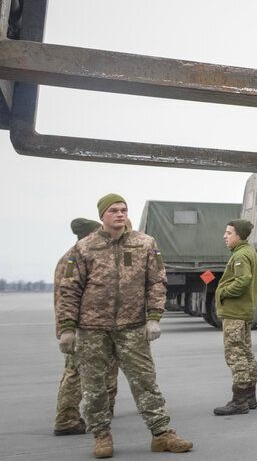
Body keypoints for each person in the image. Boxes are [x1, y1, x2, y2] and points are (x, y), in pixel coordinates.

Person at [57, 194, 193, 458]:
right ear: (102, 216)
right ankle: (101, 436)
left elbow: (156, 282)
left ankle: (162, 434)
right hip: (93, 328)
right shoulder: (84, 248)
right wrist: (67, 328)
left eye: (123, 209)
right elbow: (69, 289)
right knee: (94, 386)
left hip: (132, 327)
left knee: (145, 381)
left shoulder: (145, 244)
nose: (120, 214)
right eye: (113, 210)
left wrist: (154, 318)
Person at [53, 218, 119, 436]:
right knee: (76, 372)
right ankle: (67, 419)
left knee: (85, 371)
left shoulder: (75, 255)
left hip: (83, 326)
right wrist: (68, 329)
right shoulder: (77, 257)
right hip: (81, 327)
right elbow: (69, 297)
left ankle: (92, 413)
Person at [213, 219, 257, 416]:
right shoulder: (250, 252)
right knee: (246, 353)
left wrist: (224, 292)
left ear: (238, 235)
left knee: (235, 354)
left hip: (235, 312)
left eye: (229, 233)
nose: (225, 236)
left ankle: (239, 401)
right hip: (244, 311)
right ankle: (250, 397)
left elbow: (244, 280)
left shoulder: (241, 255)